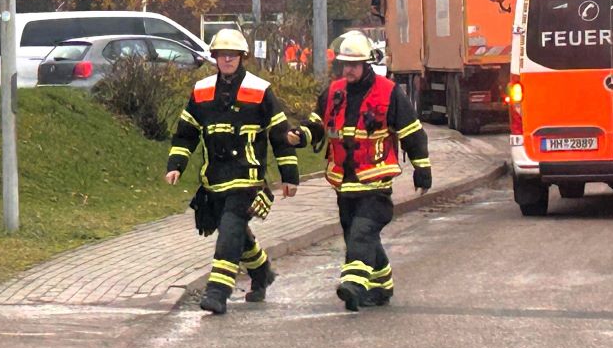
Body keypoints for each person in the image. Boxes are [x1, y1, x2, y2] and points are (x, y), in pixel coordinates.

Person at [292, 31, 431, 312]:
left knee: (362, 234)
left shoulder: (389, 92)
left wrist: (422, 167)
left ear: (367, 64)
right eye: (345, 64)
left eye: (354, 64)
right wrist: (300, 135)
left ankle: (353, 285)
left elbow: (412, 131)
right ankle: (382, 286)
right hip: (344, 184)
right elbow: (318, 124)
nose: (348, 69)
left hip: (376, 184)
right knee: (357, 235)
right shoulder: (334, 92)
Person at [165, 28, 300, 315]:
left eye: (232, 55)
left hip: (248, 178)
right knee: (237, 232)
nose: (226, 60)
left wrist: (290, 176)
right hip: (214, 179)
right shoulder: (201, 91)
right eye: (221, 55)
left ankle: (218, 292)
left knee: (229, 231)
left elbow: (280, 134)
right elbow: (186, 133)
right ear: (214, 58)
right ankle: (262, 272)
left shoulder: (260, 89)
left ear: (242, 58)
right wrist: (176, 165)